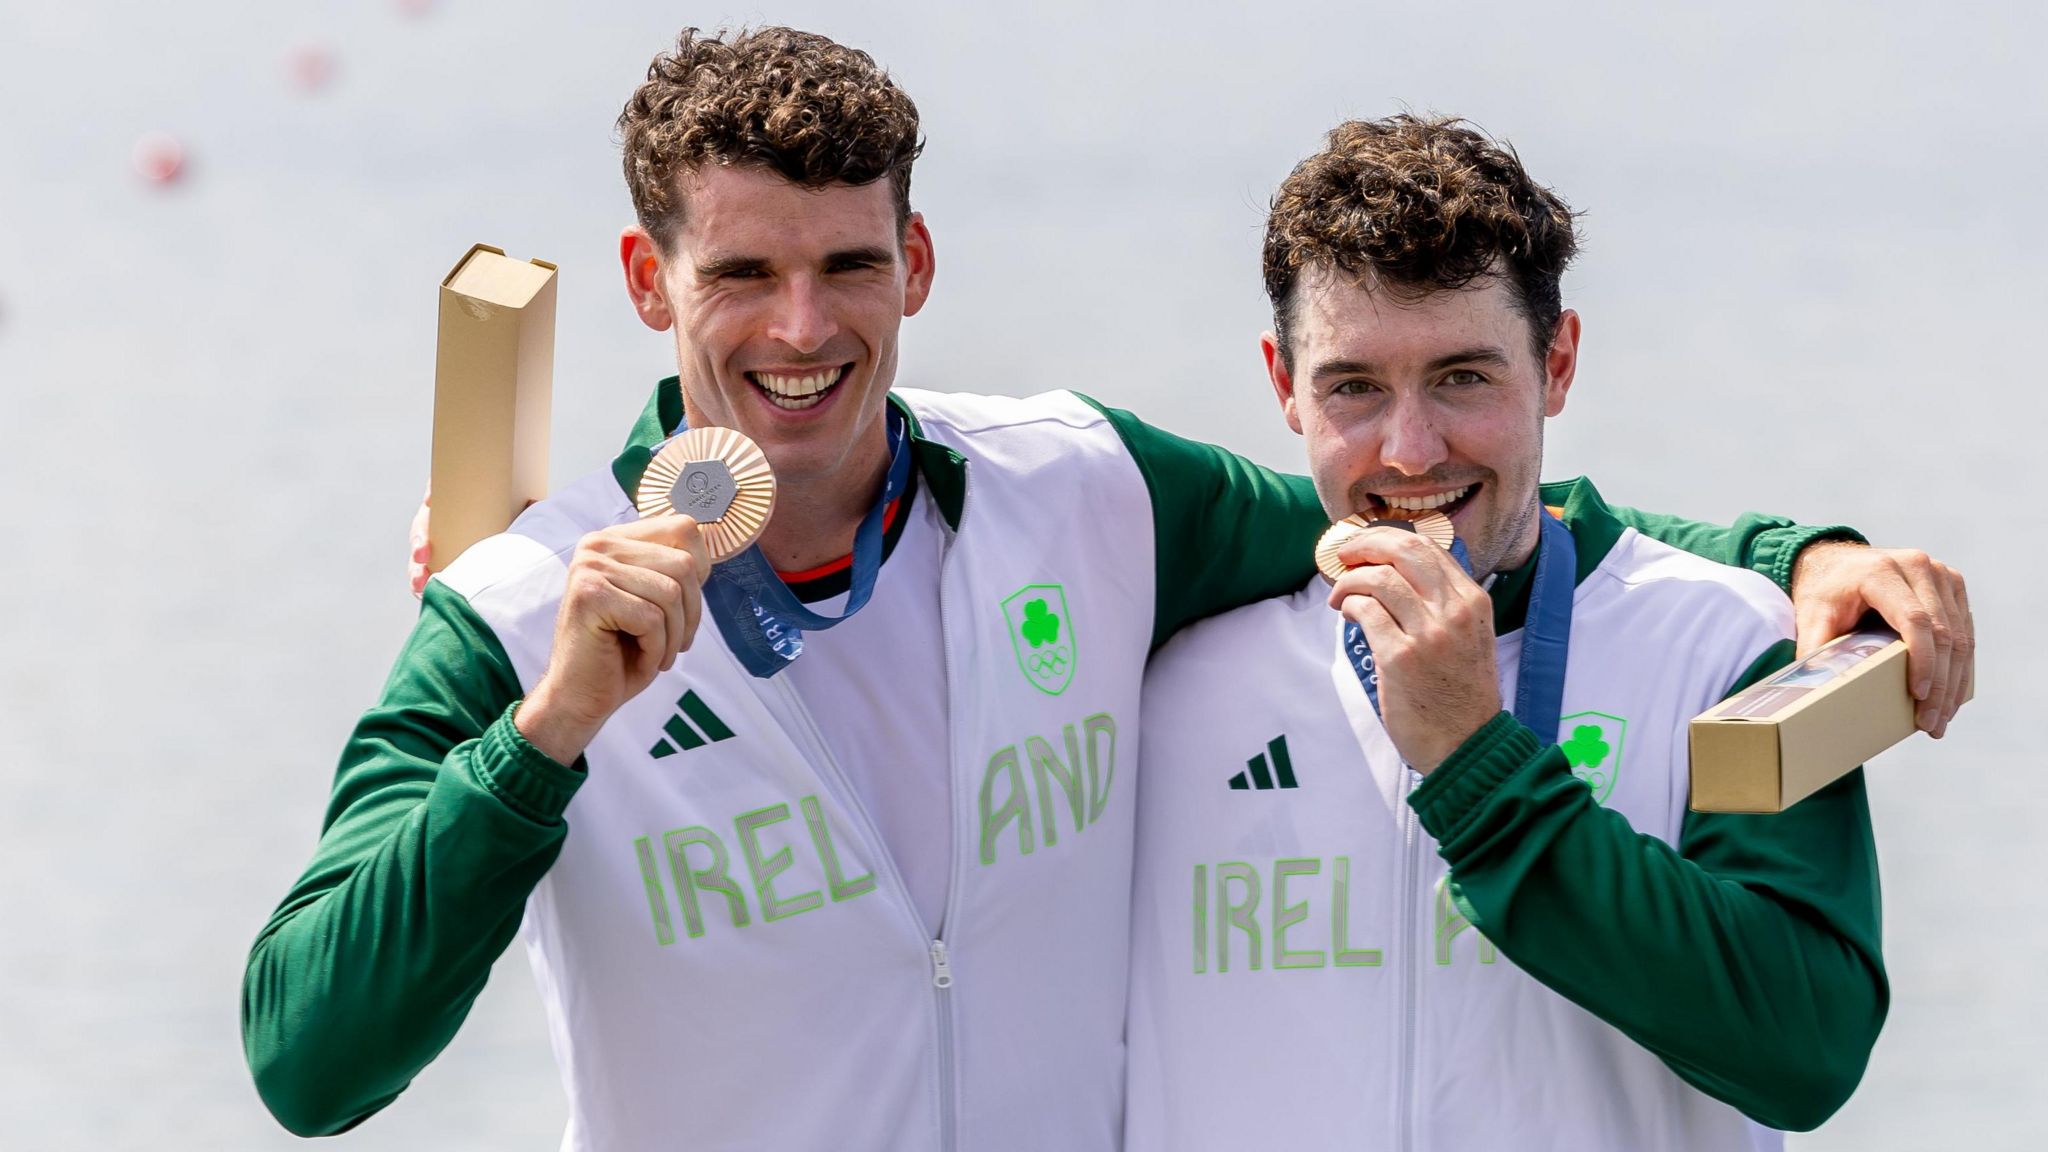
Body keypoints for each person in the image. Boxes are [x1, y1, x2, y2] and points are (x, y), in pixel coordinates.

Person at [245, 26, 1972, 1150]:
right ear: (647, 279)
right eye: (744, 272)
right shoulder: (510, 608)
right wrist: (542, 735)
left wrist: (1789, 556)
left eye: (848, 262)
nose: (799, 326)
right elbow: (308, 1065)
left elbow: (1458, 514)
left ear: (913, 261)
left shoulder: (1083, 491)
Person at [1125, 114, 1906, 1151]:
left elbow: (1804, 1050)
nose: (1409, 453)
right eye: (1352, 387)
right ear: (1281, 384)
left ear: (1557, 361)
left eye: (1462, 378)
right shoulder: (1166, 656)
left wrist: (1472, 759)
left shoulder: (1730, 645)